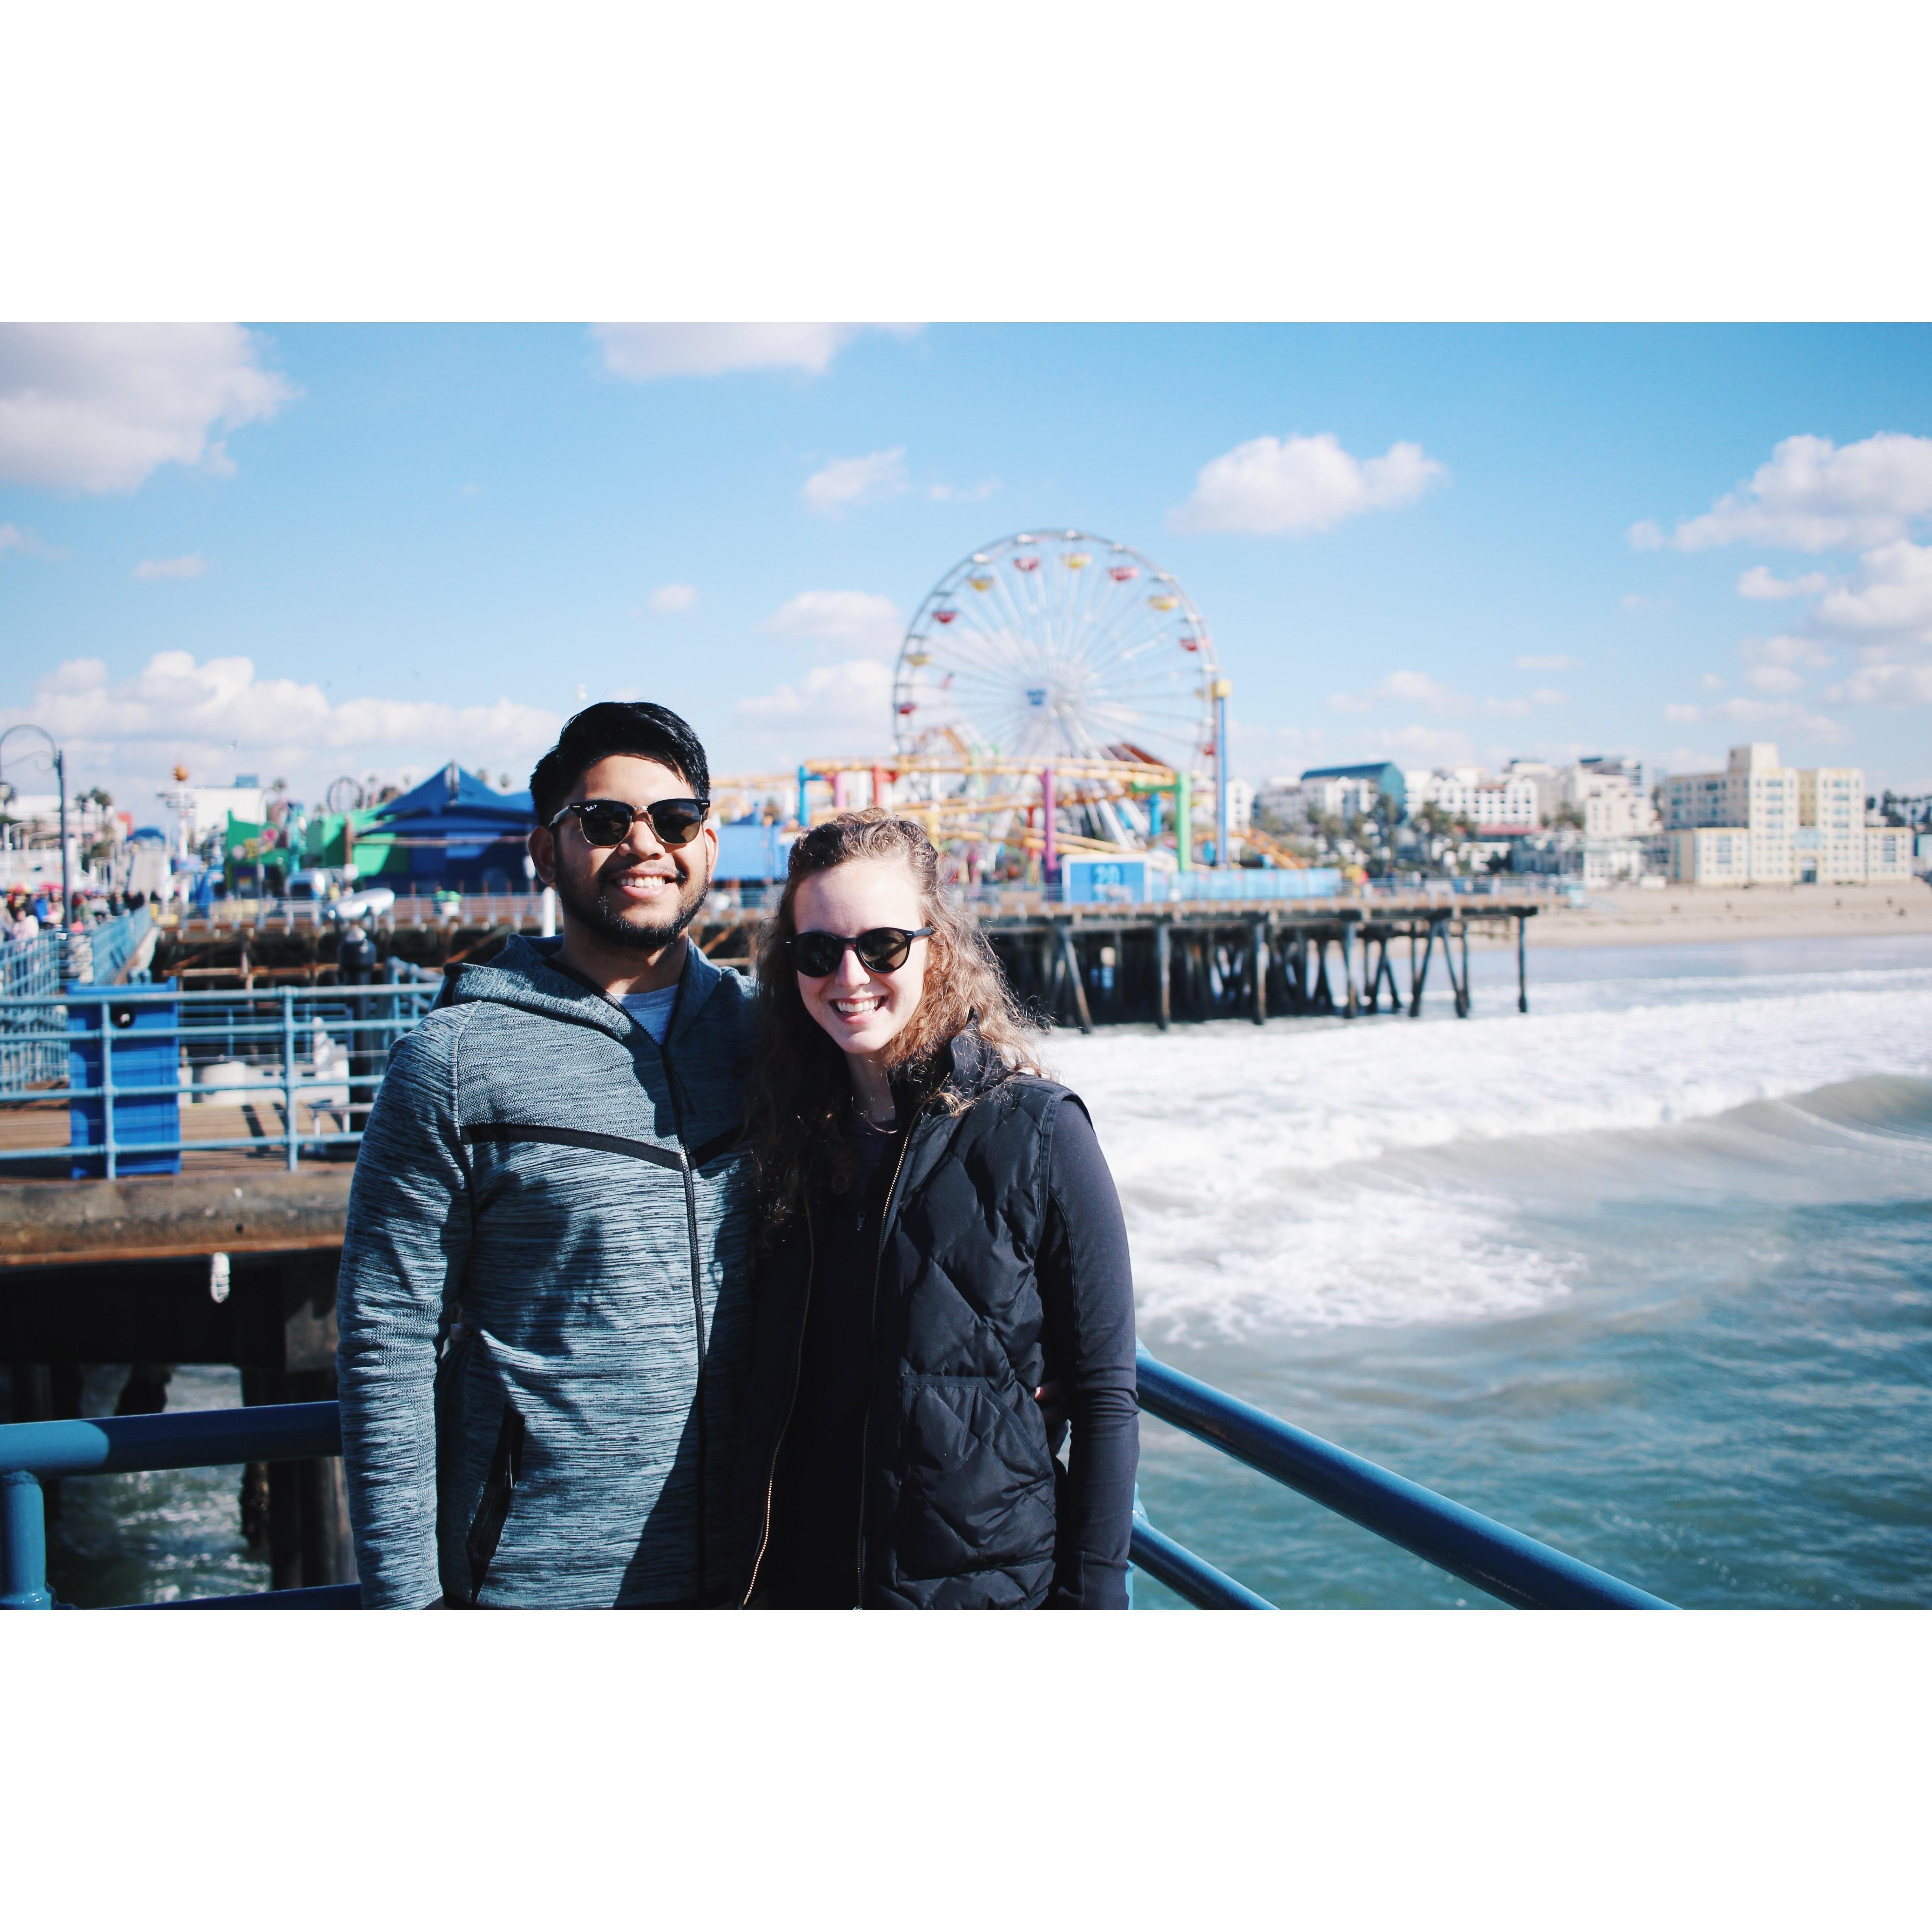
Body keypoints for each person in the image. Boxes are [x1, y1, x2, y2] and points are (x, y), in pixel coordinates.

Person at [336, 702, 758, 1607]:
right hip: (536, 1582)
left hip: (759, 1571)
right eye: (606, 822)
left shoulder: (773, 1042)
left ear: (710, 844)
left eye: (675, 820)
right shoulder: (452, 1063)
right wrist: (407, 1606)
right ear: (545, 851)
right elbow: (386, 1341)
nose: (646, 844)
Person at [730, 810, 1139, 1609]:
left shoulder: (1040, 1132)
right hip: (796, 1585)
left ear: (937, 947)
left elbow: (1103, 1394)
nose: (849, 977)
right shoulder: (784, 1134)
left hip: (976, 1594)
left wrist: (1094, 1603)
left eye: (881, 945)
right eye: (819, 951)